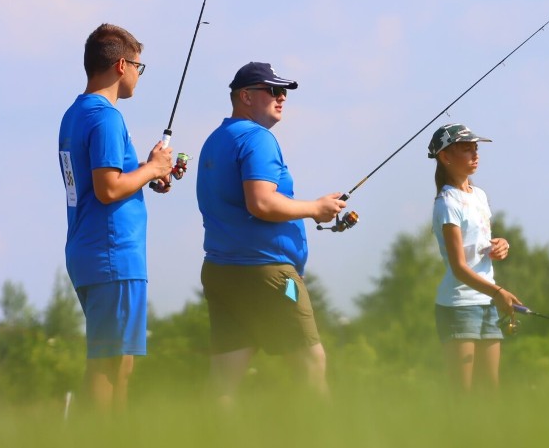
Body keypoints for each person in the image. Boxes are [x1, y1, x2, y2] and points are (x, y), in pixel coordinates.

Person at [196, 61, 346, 404]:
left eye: (284, 92)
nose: (282, 98)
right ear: (245, 96)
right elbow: (261, 204)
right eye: (273, 91)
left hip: (222, 272)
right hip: (268, 276)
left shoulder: (217, 139)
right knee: (311, 363)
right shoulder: (257, 138)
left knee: (223, 379)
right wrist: (315, 209)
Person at [58, 23, 174, 411]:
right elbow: (108, 189)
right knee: (112, 368)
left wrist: (147, 171)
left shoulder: (74, 114)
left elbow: (99, 184)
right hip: (113, 255)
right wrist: (153, 168)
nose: (140, 75)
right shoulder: (107, 117)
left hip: (88, 251)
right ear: (122, 65)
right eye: (139, 65)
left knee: (112, 361)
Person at [427, 123, 523, 392]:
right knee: (463, 394)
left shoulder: (479, 195)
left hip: (487, 301)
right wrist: (499, 292)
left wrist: (501, 245)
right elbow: (458, 267)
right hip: (458, 306)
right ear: (445, 157)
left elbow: (480, 243)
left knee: (490, 390)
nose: (475, 154)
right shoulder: (447, 202)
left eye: (475, 148)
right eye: (466, 149)